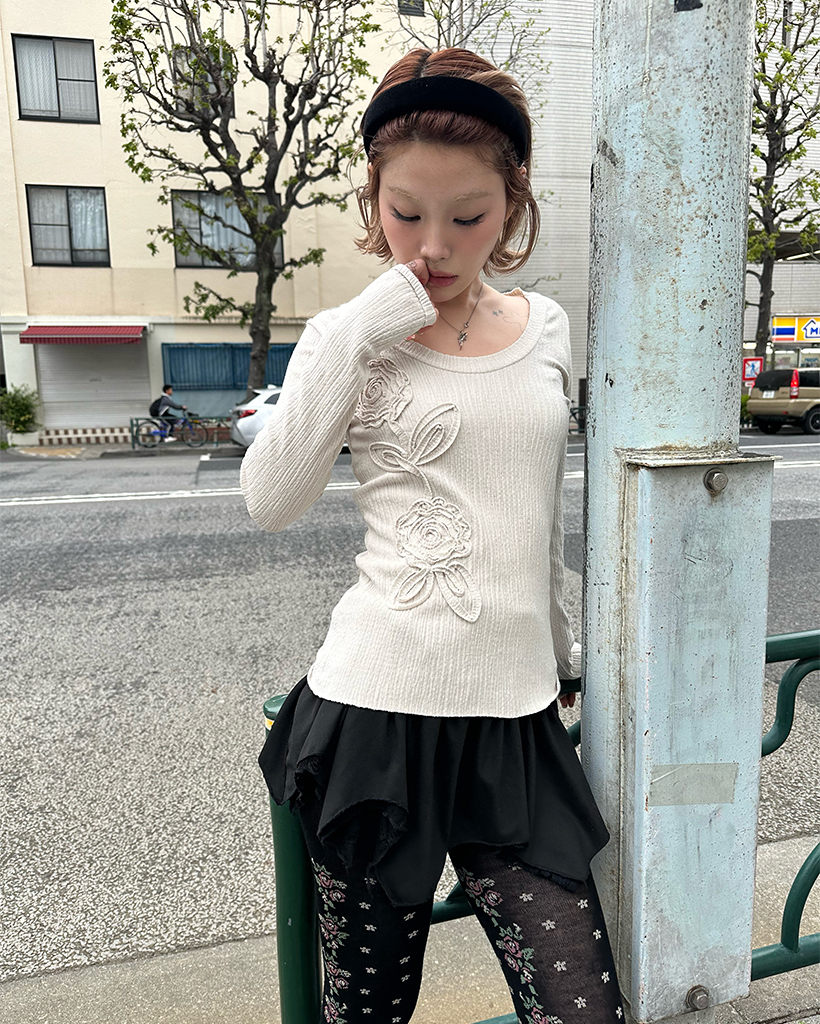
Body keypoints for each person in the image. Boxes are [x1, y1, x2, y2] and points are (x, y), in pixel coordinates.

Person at [242, 47, 624, 1023]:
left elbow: (534, 515)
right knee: (371, 1012)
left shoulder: (544, 327)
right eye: (406, 213)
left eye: (468, 216)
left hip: (516, 722)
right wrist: (360, 329)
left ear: (514, 203)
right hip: (375, 721)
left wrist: (561, 648)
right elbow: (270, 499)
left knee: (579, 1005)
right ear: (374, 199)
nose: (435, 247)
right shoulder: (346, 336)